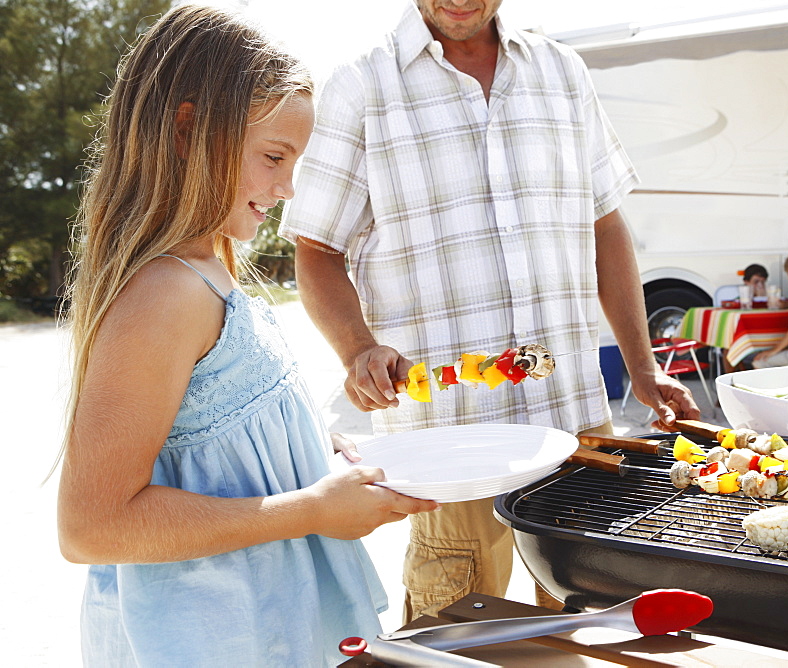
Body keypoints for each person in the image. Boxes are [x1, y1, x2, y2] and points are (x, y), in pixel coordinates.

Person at [280, 0, 700, 622]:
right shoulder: (361, 84)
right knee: (458, 640)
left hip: (575, 424)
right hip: (450, 448)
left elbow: (605, 226)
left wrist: (643, 369)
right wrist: (356, 348)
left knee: (586, 634)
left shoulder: (562, 72)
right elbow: (316, 249)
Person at [55, 5, 438, 665]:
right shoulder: (165, 293)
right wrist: (313, 510)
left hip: (257, 628)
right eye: (272, 156)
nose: (287, 187)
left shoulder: (209, 268)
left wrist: (317, 448)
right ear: (187, 129)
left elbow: (219, 432)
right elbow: (93, 527)